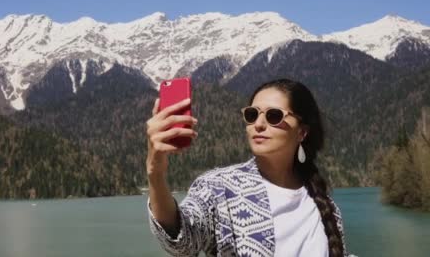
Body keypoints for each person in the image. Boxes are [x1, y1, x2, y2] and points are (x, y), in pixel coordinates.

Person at [146, 78, 353, 256]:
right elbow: (181, 241)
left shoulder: (325, 207)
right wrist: (156, 174)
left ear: (302, 132)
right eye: (252, 115)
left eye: (273, 116)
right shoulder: (219, 188)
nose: (259, 124)